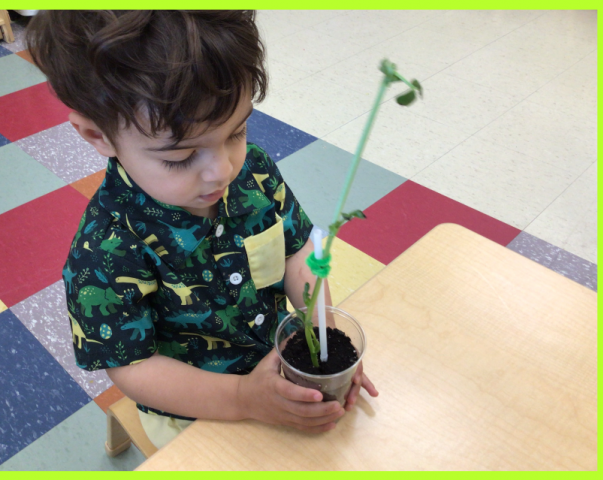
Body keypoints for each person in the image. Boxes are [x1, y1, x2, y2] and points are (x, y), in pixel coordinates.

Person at [25, 10, 377, 449]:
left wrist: (322, 338)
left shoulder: (256, 172)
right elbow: (132, 367)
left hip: (282, 362)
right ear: (99, 136)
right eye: (180, 157)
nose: (222, 170)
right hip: (194, 410)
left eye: (237, 130)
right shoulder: (104, 249)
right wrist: (242, 398)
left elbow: (297, 251)